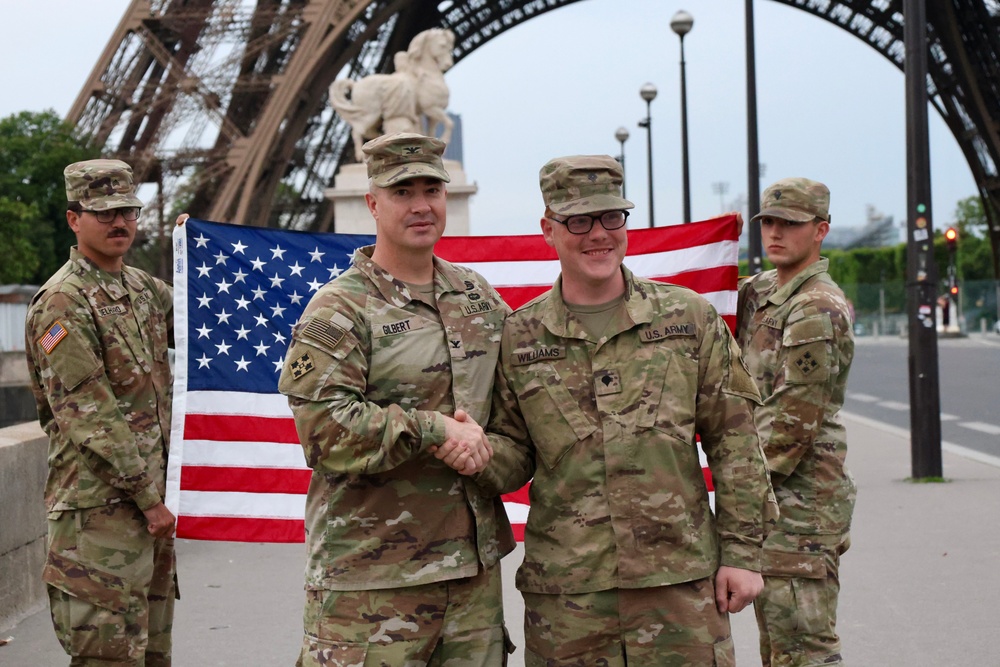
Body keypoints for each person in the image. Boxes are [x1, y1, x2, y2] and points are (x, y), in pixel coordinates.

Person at [475, 154, 774, 665]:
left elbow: (736, 442)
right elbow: (514, 456)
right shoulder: (518, 338)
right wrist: (474, 451)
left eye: (612, 217)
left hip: (679, 584)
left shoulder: (688, 318)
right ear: (548, 229)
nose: (598, 234)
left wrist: (744, 556)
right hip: (569, 596)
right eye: (579, 221)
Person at [277, 132, 515, 666]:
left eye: (432, 189)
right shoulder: (340, 308)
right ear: (373, 203)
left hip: (472, 581)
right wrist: (436, 431)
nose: (421, 205)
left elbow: (515, 419)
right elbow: (324, 430)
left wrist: (487, 454)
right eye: (403, 191)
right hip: (370, 582)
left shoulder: (479, 298)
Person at [25, 159, 177, 665]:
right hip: (99, 516)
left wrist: (197, 251)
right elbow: (92, 415)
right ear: (74, 218)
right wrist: (149, 498)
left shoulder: (144, 290)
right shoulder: (61, 304)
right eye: (105, 213)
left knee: (153, 655)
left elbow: (209, 335)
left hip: (149, 511)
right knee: (108, 658)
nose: (120, 223)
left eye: (129, 212)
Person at [736, 177, 856, 666]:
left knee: (802, 648)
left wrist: (734, 486)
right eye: (768, 222)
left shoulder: (815, 308)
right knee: (777, 645)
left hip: (801, 503)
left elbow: (791, 422)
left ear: (820, 230)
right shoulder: (762, 290)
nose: (775, 233)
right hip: (774, 499)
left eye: (791, 224)